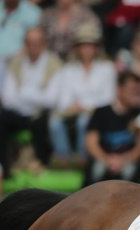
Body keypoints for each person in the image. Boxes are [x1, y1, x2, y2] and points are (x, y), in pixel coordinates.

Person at [0, 26, 62, 174]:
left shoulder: (54, 63)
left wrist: (23, 93)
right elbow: (8, 99)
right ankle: (3, 171)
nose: (33, 47)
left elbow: (51, 100)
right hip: (19, 114)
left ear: (44, 44)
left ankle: (43, 167)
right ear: (25, 44)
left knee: (42, 123)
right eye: (30, 43)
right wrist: (36, 95)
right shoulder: (15, 63)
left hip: (41, 114)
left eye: (37, 43)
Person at [48, 23, 116, 166]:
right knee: (54, 121)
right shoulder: (68, 69)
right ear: (77, 48)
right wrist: (73, 106)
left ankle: (82, 158)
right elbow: (64, 98)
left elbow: (107, 98)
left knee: (83, 121)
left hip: (97, 112)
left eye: (90, 45)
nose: (87, 49)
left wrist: (84, 106)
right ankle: (63, 157)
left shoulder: (107, 68)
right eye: (83, 45)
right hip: (73, 110)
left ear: (96, 47)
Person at [84, 71, 140, 184]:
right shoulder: (101, 112)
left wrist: (123, 160)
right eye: (133, 89)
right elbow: (91, 143)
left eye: (139, 90)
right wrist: (107, 160)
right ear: (119, 90)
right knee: (97, 169)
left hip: (128, 160)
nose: (137, 94)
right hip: (104, 158)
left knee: (131, 170)